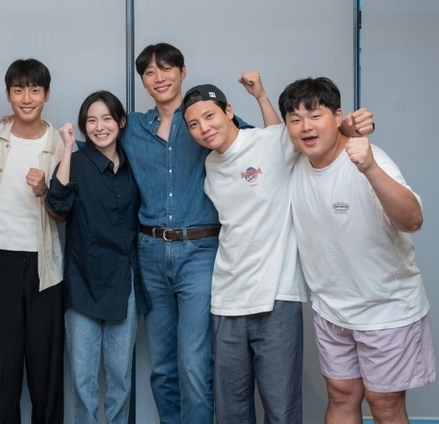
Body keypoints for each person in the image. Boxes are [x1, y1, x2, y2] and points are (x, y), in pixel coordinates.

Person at [182, 74, 374, 424]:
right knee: (230, 411)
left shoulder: (269, 140)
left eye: (209, 116)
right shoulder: (210, 165)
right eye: (193, 124)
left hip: (276, 299)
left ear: (228, 111)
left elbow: (312, 135)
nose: (204, 128)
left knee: (282, 409)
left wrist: (350, 125)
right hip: (226, 300)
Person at [280, 76, 435, 424]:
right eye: (295, 119)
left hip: (386, 309)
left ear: (337, 117)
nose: (305, 127)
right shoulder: (295, 159)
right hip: (332, 311)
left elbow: (413, 219)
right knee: (340, 395)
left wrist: (370, 168)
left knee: (384, 404)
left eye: (315, 116)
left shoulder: (368, 158)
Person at [120, 42, 228, 423]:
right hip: (150, 252)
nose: (159, 77)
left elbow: (259, 143)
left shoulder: (204, 120)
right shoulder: (133, 127)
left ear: (183, 72)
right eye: (150, 72)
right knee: (163, 366)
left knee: (195, 363)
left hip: (200, 252)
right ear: (143, 82)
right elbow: (93, 140)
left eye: (166, 68)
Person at [46, 91, 149, 424]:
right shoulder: (75, 162)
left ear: (121, 122)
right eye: (91, 120)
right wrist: (67, 148)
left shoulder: (134, 164)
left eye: (107, 119)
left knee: (121, 378)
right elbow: (57, 203)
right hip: (83, 280)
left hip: (123, 280)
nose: (99, 127)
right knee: (83, 380)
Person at [0, 59, 65, 424]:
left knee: (47, 370)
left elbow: (66, 212)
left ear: (47, 94)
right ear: (8, 94)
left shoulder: (61, 144)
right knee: (1, 368)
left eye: (34, 90)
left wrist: (45, 191)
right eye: (18, 90)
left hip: (45, 267)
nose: (26, 98)